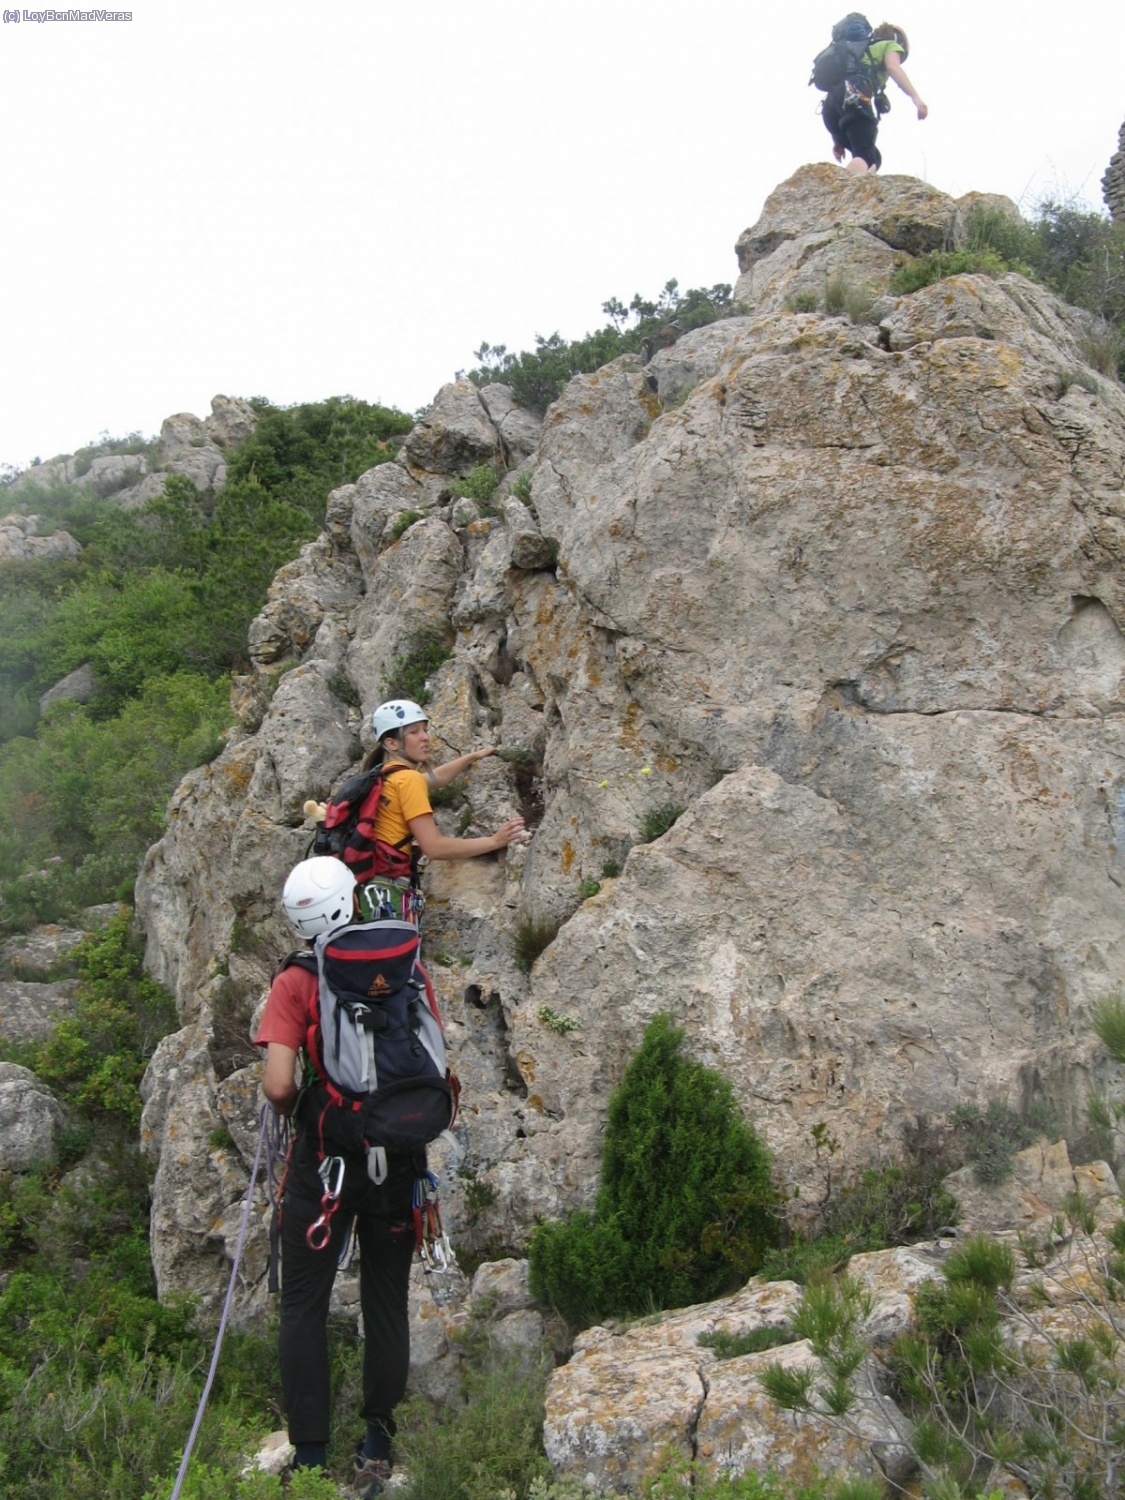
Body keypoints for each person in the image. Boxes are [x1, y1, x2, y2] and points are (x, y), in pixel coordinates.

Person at [257, 856, 413, 1496]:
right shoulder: (403, 959)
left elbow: (277, 1084)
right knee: (385, 1299)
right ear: (351, 901)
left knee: (303, 1305)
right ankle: (377, 1446)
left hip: (322, 1163)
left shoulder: (295, 981)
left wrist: (310, 1112)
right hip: (398, 1156)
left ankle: (313, 1459)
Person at [365, 698, 526, 886]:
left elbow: (436, 778)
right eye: (414, 732)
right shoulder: (408, 779)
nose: (425, 737)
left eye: (425, 729)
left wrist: (473, 756)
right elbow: (434, 847)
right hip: (388, 887)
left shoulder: (386, 776)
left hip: (372, 885)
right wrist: (495, 841)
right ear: (392, 743)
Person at [822, 22, 928, 176]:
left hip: (829, 106)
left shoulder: (860, 52)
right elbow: (893, 67)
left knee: (873, 158)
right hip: (854, 94)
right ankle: (844, 194)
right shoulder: (890, 45)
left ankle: (853, 186)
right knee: (866, 156)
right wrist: (916, 98)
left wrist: (838, 140)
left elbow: (841, 93)